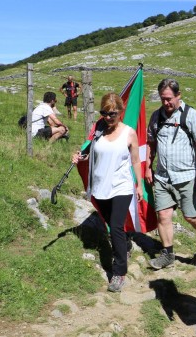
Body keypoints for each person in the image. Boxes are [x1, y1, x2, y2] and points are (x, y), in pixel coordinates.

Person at [71, 92, 143, 292]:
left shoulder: (129, 133)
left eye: (113, 114)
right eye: (105, 113)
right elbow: (89, 154)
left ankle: (119, 272)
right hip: (100, 186)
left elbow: (136, 161)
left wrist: (139, 185)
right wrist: (80, 157)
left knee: (115, 226)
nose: (109, 117)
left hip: (121, 186)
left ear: (120, 112)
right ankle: (125, 245)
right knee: (112, 227)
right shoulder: (98, 130)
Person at [145, 78, 196, 270]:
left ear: (178, 95)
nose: (166, 103)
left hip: (185, 176)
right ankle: (168, 254)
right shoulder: (156, 116)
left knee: (191, 216)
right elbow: (151, 143)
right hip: (163, 176)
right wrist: (149, 167)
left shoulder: (190, 115)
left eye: (169, 98)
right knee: (163, 215)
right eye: (163, 99)